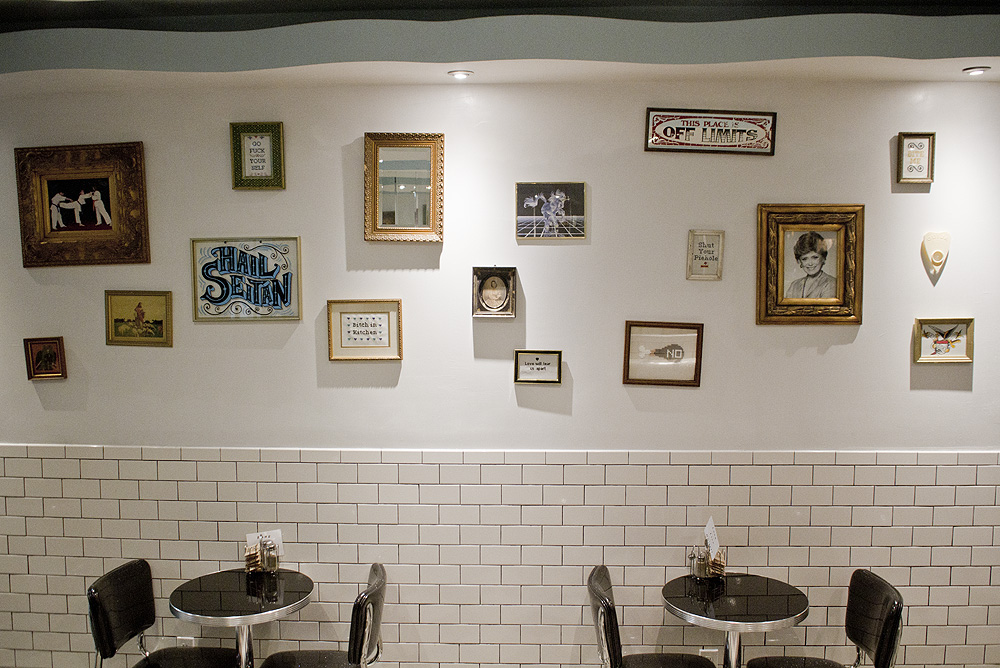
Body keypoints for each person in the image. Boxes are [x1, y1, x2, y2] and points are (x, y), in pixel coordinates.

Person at [787, 231, 836, 298]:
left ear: (823, 258)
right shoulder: (794, 286)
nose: (810, 263)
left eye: (815, 257)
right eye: (804, 259)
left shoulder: (831, 283)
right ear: (799, 262)